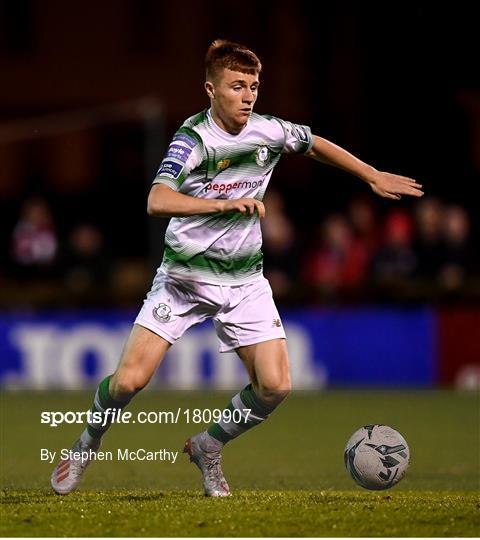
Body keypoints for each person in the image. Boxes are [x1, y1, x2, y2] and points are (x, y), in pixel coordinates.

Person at [50, 39, 423, 497]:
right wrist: (221, 204)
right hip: (183, 281)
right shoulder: (193, 139)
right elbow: (156, 199)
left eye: (253, 86)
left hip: (244, 281)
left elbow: (313, 143)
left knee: (275, 386)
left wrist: (371, 175)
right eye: (236, 86)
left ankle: (208, 446)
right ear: (210, 90)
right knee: (129, 382)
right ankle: (88, 442)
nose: (248, 96)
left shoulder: (266, 131)